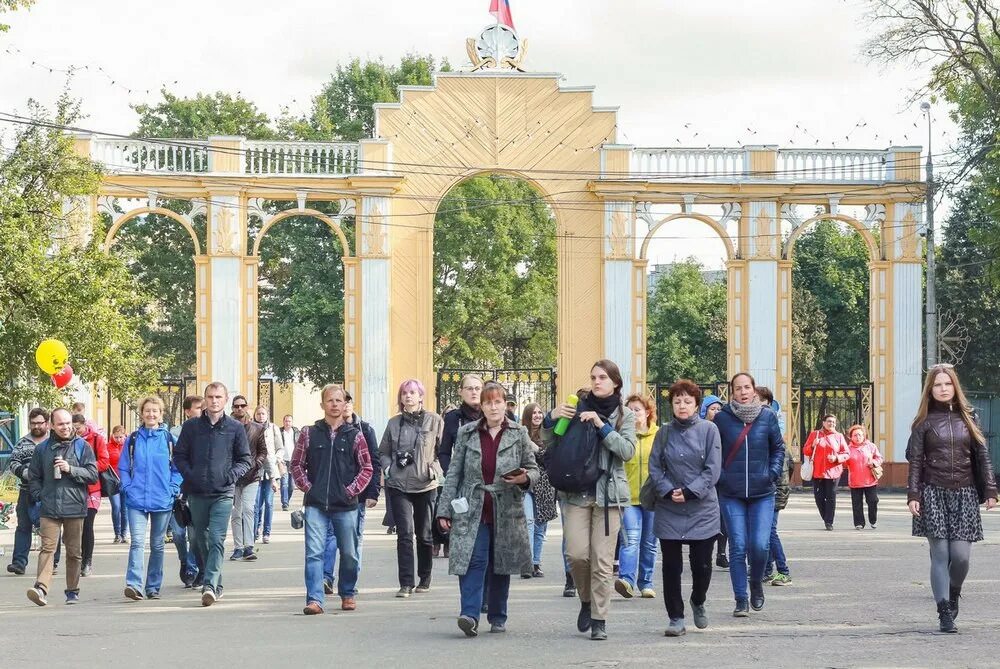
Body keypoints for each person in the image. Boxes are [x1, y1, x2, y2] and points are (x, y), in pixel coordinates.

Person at [543, 359, 636, 641]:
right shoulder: (576, 407)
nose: (597, 382)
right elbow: (549, 441)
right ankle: (586, 600)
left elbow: (627, 450)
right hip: (576, 493)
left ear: (616, 383)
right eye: (594, 377)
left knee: (602, 560)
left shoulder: (625, 414)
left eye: (603, 377)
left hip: (608, 496)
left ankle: (599, 619)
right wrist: (552, 416)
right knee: (576, 555)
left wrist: (602, 426)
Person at [437, 381, 539, 637]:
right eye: (488, 402)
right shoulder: (467, 433)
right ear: (481, 406)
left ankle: (497, 615)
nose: (493, 407)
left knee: (500, 561)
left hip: (506, 506)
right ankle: (469, 615)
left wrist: (524, 478)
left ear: (505, 405)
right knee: (474, 558)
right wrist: (444, 509)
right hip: (473, 506)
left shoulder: (519, 433)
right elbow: (454, 474)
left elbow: (534, 469)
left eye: (497, 402)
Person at [906, 364, 997, 633]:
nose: (943, 389)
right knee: (940, 554)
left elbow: (983, 456)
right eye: (937, 385)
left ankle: (954, 592)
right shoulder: (923, 423)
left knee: (961, 557)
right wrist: (913, 494)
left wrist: (991, 489)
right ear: (930, 390)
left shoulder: (970, 418)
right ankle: (944, 610)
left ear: (955, 386)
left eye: (947, 384)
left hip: (965, 494)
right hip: (933, 493)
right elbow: (915, 462)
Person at [648, 380, 721, 636]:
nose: (682, 405)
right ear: (671, 405)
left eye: (687, 401)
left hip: (702, 508)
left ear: (697, 405)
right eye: (677, 401)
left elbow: (713, 469)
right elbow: (655, 466)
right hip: (669, 507)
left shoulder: (710, 430)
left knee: (701, 565)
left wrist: (690, 492)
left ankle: (698, 599)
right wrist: (668, 490)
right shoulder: (663, 433)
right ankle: (675, 617)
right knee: (671, 567)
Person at [292, 384, 373, 615]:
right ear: (322, 405)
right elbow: (296, 464)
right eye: (330, 400)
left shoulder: (355, 435)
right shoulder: (309, 433)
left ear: (345, 404)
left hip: (346, 505)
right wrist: (308, 487)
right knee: (314, 552)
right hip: (316, 504)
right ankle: (315, 599)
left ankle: (347, 592)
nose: (335, 404)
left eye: (339, 400)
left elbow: (366, 467)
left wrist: (351, 491)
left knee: (349, 553)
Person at [173, 382, 252, 607]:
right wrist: (191, 475)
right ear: (204, 400)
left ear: (225, 400)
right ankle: (216, 584)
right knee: (200, 539)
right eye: (210, 396)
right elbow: (179, 456)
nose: (214, 400)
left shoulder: (235, 428)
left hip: (223, 493)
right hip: (197, 492)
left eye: (218, 397)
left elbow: (245, 459)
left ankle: (209, 585)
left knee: (217, 537)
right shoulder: (191, 427)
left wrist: (231, 476)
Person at [712, 372, 784, 617]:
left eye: (746, 387)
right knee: (738, 545)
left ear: (754, 390)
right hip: (731, 493)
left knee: (760, 545)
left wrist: (771, 473)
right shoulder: (722, 419)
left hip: (762, 492)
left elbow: (778, 448)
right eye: (737, 388)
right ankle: (741, 598)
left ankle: (756, 584)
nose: (742, 392)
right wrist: (720, 476)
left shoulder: (768, 417)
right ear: (731, 392)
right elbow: (713, 451)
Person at [26, 408, 98, 606]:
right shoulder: (42, 449)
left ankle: (72, 591)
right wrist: (40, 496)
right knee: (47, 548)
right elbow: (34, 477)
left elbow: (92, 475)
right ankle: (41, 588)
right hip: (49, 507)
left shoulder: (82, 447)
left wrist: (70, 469)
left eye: (68, 423)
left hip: (74, 506)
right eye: (60, 424)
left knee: (74, 552)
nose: (65, 427)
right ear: (52, 426)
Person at [379, 379, 444, 598]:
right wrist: (388, 468)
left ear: (421, 396)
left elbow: (443, 451)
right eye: (404, 393)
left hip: (425, 484)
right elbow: (384, 451)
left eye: (412, 392)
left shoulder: (434, 420)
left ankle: (424, 578)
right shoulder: (393, 423)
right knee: (404, 535)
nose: (408, 396)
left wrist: (434, 469)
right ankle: (406, 583)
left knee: (424, 535)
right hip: (399, 485)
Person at [118, 396, 183, 601]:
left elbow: (179, 468)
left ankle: (153, 586)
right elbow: (123, 466)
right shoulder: (134, 439)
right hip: (136, 498)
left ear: (161, 414)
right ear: (142, 413)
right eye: (147, 411)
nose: (151, 414)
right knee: (137, 542)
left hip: (162, 499)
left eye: (155, 411)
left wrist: (173, 488)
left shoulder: (169, 440)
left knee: (157, 544)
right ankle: (134, 584)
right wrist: (127, 486)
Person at [321, 391, 380, 596]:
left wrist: (373, 491)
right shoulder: (327, 430)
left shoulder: (365, 430)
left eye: (345, 401)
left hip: (357, 495)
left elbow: (373, 462)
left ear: (350, 404)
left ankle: (349, 581)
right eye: (336, 401)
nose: (341, 405)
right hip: (330, 495)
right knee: (329, 536)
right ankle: (326, 577)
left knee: (353, 540)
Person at [616, 393, 659, 599]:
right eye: (629, 410)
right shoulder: (623, 436)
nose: (633, 414)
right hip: (628, 497)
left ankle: (646, 582)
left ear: (647, 412)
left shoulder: (659, 435)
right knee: (630, 539)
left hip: (653, 498)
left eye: (637, 410)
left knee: (649, 542)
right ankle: (626, 580)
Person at [437, 374, 484, 559]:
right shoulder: (452, 418)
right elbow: (444, 452)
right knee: (464, 532)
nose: (473, 392)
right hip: (463, 485)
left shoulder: (492, 414)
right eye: (469, 388)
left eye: (477, 388)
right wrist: (452, 474)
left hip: (488, 482)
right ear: (460, 392)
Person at [6, 408, 49, 575]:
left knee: (48, 528)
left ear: (47, 424)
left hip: (47, 493)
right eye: (33, 423)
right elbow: (13, 462)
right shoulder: (22, 442)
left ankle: (52, 562)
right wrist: (24, 472)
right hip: (26, 491)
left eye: (40, 423)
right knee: (23, 527)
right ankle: (19, 563)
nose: (36, 426)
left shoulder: (52, 442)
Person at [229, 395, 268, 561]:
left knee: (248, 509)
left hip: (252, 476)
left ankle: (249, 547)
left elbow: (263, 451)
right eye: (236, 406)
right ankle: (238, 547)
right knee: (235, 513)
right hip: (233, 477)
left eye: (242, 405)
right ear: (232, 408)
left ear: (247, 407)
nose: (239, 409)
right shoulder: (227, 427)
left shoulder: (257, 428)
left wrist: (256, 464)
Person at [170, 395, 203, 587]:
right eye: (198, 407)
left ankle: (192, 566)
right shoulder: (174, 434)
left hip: (197, 489)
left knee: (194, 535)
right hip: (178, 490)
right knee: (178, 534)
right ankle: (185, 560)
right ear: (187, 411)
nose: (201, 411)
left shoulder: (208, 431)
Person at [521, 402, 557, 578]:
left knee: (540, 526)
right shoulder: (520, 434)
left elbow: (550, 458)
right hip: (525, 483)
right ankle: (526, 563)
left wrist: (535, 448)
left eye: (539, 412)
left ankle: (536, 562)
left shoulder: (548, 433)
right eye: (533, 413)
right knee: (528, 521)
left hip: (544, 484)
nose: (537, 415)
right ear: (527, 416)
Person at [72, 413, 109, 577]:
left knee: (87, 525)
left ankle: (87, 561)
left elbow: (104, 462)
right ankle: (76, 559)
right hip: (72, 489)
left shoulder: (96, 439)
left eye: (77, 428)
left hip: (92, 488)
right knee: (75, 527)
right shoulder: (68, 440)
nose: (75, 431)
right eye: (73, 428)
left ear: (84, 425)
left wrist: (86, 467)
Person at [802, 414, 849, 530]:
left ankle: (829, 522)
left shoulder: (839, 436)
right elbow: (805, 450)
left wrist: (837, 458)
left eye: (833, 422)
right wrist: (813, 445)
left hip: (833, 472)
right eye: (829, 421)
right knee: (819, 497)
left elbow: (846, 453)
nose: (831, 424)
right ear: (823, 423)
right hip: (817, 472)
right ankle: (826, 517)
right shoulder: (815, 434)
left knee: (831, 497)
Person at [700, 395, 728, 569]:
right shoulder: (700, 428)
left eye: (719, 409)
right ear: (705, 411)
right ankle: (704, 553)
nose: (716, 412)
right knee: (706, 516)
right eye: (712, 409)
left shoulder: (726, 428)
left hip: (724, 478)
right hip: (706, 479)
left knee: (723, 517)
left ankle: (722, 553)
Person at [252, 406, 282, 544]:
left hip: (271, 471)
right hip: (256, 471)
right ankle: (255, 530)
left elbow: (280, 448)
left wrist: (276, 458)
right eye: (258, 414)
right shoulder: (251, 427)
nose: (261, 416)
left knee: (269, 503)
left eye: (263, 413)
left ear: (267, 415)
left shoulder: (273, 428)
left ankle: (266, 532)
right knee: (256, 504)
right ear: (255, 415)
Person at [763, 445, 793, 586]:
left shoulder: (771, 447)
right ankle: (767, 570)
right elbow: (791, 467)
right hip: (779, 492)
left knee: (770, 532)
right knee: (767, 532)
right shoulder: (783, 447)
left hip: (773, 493)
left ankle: (783, 571)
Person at [846, 424, 883, 530]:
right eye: (855, 435)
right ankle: (859, 523)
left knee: (873, 500)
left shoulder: (871, 446)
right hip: (855, 480)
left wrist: (874, 462)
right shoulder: (848, 449)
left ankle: (873, 519)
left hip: (870, 480)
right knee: (856, 503)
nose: (858, 437)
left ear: (864, 436)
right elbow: (843, 461)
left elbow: (879, 458)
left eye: (860, 435)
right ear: (851, 437)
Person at [107, 425, 129, 544]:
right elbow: (105, 463)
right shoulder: (108, 447)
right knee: (116, 507)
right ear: (112, 436)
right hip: (113, 481)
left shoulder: (128, 447)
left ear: (125, 436)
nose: (119, 439)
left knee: (125, 509)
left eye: (121, 437)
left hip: (125, 481)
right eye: (116, 437)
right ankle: (117, 534)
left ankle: (124, 534)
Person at [279, 415, 299, 510]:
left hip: (293, 461)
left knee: (291, 485)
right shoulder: (280, 432)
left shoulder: (296, 432)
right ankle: (285, 503)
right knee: (284, 483)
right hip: (283, 461)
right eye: (286, 421)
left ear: (292, 422)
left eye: (289, 421)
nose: (288, 423)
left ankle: (287, 499)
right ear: (283, 422)